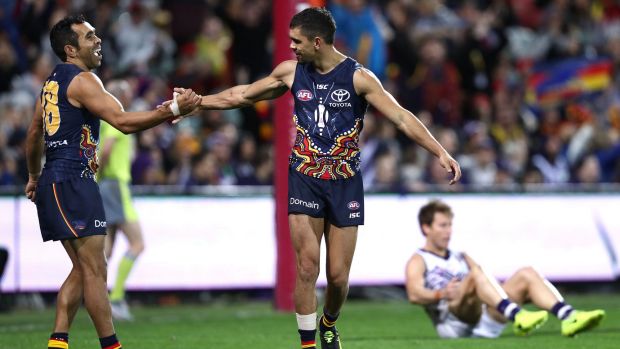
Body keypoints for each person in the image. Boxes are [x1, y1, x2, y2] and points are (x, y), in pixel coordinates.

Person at [175, 7, 461, 349]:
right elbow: (243, 95)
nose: (290, 47)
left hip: (344, 182)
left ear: (317, 41)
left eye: (296, 41)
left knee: (338, 278)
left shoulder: (359, 78)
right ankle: (308, 344)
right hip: (305, 177)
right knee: (308, 265)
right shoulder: (291, 73)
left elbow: (400, 117)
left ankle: (329, 323)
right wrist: (199, 103)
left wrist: (439, 151)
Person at [24, 15, 199, 349]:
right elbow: (123, 122)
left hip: (57, 180)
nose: (98, 40)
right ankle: (111, 344)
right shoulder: (83, 80)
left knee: (82, 268)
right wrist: (173, 108)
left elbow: (34, 135)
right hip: (73, 179)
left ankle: (58, 341)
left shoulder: (51, 84)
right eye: (89, 37)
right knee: (95, 269)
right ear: (70, 48)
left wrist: (34, 176)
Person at [406, 199, 605, 338]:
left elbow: (486, 283)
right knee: (475, 275)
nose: (448, 231)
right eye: (442, 225)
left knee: (526, 273)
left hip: (483, 317)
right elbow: (414, 295)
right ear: (426, 228)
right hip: (453, 322)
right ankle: (518, 315)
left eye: (450, 225)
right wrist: (441, 294)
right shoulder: (419, 260)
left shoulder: (461, 256)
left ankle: (569, 316)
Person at [98, 80, 144, 321]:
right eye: (126, 92)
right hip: (115, 184)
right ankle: (115, 297)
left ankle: (98, 296)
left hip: (107, 185)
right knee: (137, 243)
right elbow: (105, 150)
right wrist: (100, 173)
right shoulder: (118, 117)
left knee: (107, 248)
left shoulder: (106, 119)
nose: (130, 94)